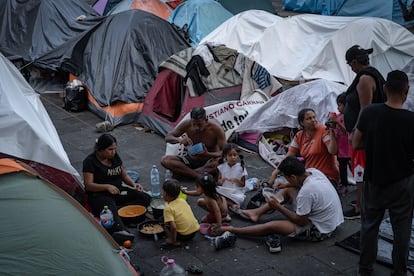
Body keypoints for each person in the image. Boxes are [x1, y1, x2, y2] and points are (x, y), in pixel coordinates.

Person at [352, 70, 414, 275]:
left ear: (385, 89)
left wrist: (374, 145)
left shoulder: (370, 112)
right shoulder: (411, 119)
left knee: (369, 226)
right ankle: (399, 271)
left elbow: (355, 142)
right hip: (403, 182)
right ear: (407, 90)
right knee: (402, 230)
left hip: (374, 179)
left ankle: (365, 269)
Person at [218, 156, 344, 253]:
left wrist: (278, 207)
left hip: (322, 229)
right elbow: (297, 184)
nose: (286, 180)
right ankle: (255, 213)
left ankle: (234, 230)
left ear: (293, 176)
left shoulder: (307, 192)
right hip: (333, 219)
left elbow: (301, 222)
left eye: (287, 178)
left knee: (272, 226)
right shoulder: (313, 172)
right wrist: (286, 185)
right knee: (287, 190)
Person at [342, 45, 386, 220]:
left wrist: (355, 132)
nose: (351, 69)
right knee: (362, 169)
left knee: (359, 170)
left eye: (350, 65)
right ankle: (364, 200)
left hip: (363, 136)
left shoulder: (365, 79)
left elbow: (365, 109)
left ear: (354, 62)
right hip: (368, 133)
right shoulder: (372, 74)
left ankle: (360, 207)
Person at [83, 134, 151, 242]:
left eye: (115, 149)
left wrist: (133, 185)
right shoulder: (90, 161)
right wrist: (107, 187)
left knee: (145, 198)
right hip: (99, 195)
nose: (113, 152)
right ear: (100, 149)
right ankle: (121, 230)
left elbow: (123, 175)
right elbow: (88, 185)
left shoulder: (114, 157)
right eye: (110, 149)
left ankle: (117, 212)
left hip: (118, 192)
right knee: (110, 208)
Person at [268, 108, 339, 186]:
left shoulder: (323, 130)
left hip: (326, 177)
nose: (313, 120)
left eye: (314, 117)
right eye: (309, 118)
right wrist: (274, 173)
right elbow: (288, 156)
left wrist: (332, 132)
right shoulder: (299, 136)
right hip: (310, 175)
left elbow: (333, 151)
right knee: (284, 190)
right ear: (302, 122)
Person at [161, 107, 226, 179]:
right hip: (191, 159)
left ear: (206, 120)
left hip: (208, 160)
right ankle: (198, 175)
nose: (196, 128)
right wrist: (179, 140)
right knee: (165, 160)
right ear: (191, 121)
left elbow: (225, 152)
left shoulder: (216, 129)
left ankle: (186, 173)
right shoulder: (187, 124)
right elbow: (168, 137)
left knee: (219, 163)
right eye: (194, 124)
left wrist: (208, 154)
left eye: (199, 125)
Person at [161, 179, 200, 249]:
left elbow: (173, 227)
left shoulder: (168, 209)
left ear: (166, 194)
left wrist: (173, 240)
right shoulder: (182, 200)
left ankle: (174, 242)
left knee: (164, 224)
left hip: (184, 235)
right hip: (194, 231)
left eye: (163, 192)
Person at [329, 92, 351, 194]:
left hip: (349, 147)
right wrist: (332, 125)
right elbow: (336, 131)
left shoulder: (349, 117)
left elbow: (346, 131)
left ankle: (359, 181)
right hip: (340, 148)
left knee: (351, 165)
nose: (338, 108)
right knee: (342, 167)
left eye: (340, 105)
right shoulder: (338, 116)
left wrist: (337, 122)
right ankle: (344, 184)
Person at [216, 143, 248, 209]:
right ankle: (232, 204)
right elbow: (218, 182)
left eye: (235, 155)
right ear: (225, 156)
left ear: (238, 155)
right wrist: (221, 180)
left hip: (235, 192)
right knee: (215, 191)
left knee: (240, 198)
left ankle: (228, 203)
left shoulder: (240, 168)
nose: (233, 157)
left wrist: (237, 180)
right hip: (224, 191)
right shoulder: (222, 167)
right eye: (230, 155)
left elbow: (243, 184)